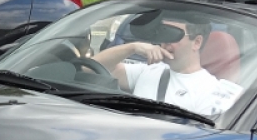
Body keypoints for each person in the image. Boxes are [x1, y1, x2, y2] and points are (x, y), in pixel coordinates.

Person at [93, 17, 242, 119]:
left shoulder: (209, 91)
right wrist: (132, 48)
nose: (165, 41)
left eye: (173, 35)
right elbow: (93, 69)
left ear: (196, 42)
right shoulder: (148, 71)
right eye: (163, 33)